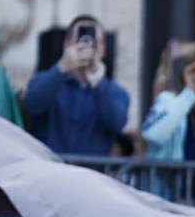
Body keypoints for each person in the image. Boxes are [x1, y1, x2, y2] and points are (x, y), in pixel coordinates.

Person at [21, 15, 129, 155]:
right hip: (49, 171)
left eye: (95, 41)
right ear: (67, 45)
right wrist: (62, 68)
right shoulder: (45, 79)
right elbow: (31, 105)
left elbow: (117, 124)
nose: (88, 45)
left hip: (90, 174)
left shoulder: (116, 93)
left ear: (103, 49)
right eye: (81, 38)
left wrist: (99, 84)